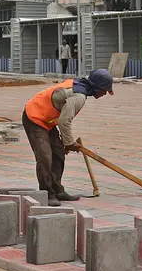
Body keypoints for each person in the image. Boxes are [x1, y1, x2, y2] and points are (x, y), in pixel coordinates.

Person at [22, 68, 114, 206]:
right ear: (97, 88)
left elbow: (62, 118)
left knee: (58, 153)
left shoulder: (79, 86)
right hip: (34, 117)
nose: (105, 93)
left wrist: (66, 143)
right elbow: (64, 121)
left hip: (48, 120)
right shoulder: (79, 96)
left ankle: (58, 191)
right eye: (105, 90)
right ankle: (47, 193)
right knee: (45, 157)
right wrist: (70, 143)